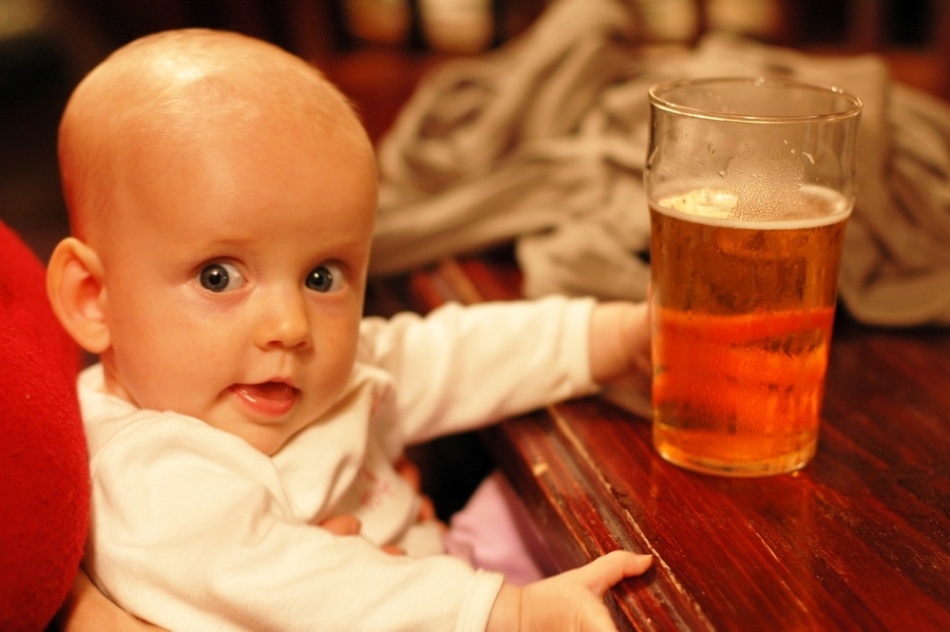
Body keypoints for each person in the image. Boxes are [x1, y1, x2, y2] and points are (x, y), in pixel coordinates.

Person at [46, 28, 654, 631]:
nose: (289, 326)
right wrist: (511, 613)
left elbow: (454, 352)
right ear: (93, 299)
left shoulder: (304, 376)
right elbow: (292, 591)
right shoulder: (147, 467)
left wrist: (613, 337)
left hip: (447, 586)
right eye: (217, 276)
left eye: (321, 276)